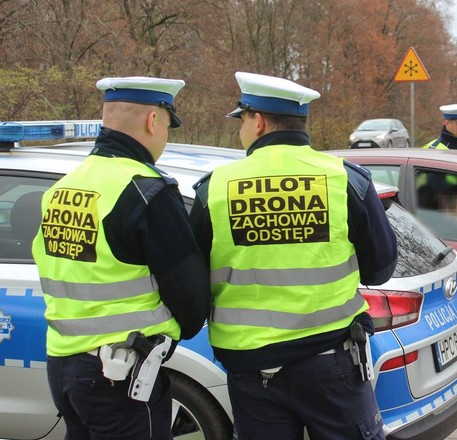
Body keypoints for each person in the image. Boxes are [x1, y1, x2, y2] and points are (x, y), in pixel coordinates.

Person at [189, 72, 398, 440]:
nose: (241, 130)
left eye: (242, 120)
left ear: (258, 122)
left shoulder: (215, 188)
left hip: (252, 370)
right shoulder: (345, 179)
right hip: (332, 363)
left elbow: (192, 281)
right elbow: (380, 269)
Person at [31, 76, 212, 439]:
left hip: (64, 366)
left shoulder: (63, 188)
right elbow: (189, 291)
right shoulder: (147, 190)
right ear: (152, 121)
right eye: (167, 126)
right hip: (120, 373)